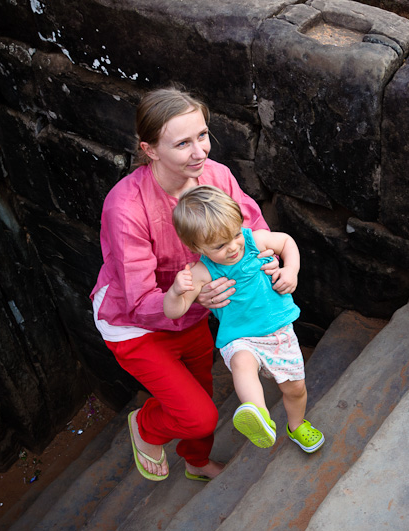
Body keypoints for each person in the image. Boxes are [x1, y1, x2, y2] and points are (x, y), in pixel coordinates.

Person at [90, 87, 277, 482]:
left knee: (201, 391)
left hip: (194, 310)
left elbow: (250, 229)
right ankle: (145, 427)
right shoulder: (126, 207)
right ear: (150, 149)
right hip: (136, 324)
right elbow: (141, 300)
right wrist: (192, 295)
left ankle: (195, 461)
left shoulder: (215, 177)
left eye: (203, 135)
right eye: (183, 143)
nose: (200, 152)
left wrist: (269, 262)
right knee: (197, 414)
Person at [164, 185, 324, 454]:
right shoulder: (202, 272)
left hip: (278, 331)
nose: (233, 247)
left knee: (295, 389)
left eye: (236, 234)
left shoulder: (255, 241)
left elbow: (286, 242)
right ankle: (258, 414)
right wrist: (175, 291)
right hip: (241, 336)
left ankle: (296, 426)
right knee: (242, 363)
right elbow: (174, 310)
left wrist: (291, 270)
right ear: (195, 247)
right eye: (220, 245)